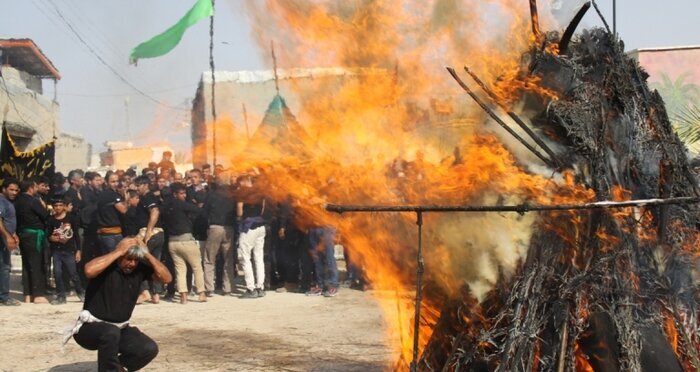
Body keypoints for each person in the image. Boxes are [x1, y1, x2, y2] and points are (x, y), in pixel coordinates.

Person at [71, 237, 172, 372]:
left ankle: (118, 367)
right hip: (89, 328)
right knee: (110, 332)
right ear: (120, 257)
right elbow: (89, 270)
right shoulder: (106, 266)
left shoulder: (139, 269)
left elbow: (167, 278)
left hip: (120, 329)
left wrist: (146, 254)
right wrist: (118, 251)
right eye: (128, 259)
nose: (132, 263)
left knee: (148, 348)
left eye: (135, 260)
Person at [161, 182, 207, 304]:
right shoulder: (182, 205)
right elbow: (198, 210)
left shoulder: (165, 206)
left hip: (172, 241)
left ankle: (183, 297)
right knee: (197, 267)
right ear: (175, 194)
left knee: (180, 270)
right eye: (181, 193)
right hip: (186, 240)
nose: (184, 195)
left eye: (184, 193)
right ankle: (201, 293)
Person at [15, 179, 50, 303]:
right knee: (36, 263)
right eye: (35, 187)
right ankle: (38, 294)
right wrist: (43, 206)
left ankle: (28, 294)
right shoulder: (33, 201)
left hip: (23, 234)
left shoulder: (17, 201)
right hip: (34, 234)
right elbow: (45, 215)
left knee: (26, 263)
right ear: (31, 188)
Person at [133, 175, 165, 304]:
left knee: (138, 261)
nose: (137, 188)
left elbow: (155, 212)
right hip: (157, 234)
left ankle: (145, 292)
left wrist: (148, 232)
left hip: (151, 233)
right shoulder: (147, 198)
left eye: (139, 185)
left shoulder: (148, 197)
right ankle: (156, 294)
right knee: (154, 263)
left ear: (145, 185)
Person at [47, 196, 84, 305]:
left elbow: (76, 235)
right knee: (57, 273)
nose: (58, 208)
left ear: (64, 206)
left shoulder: (71, 218)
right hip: (56, 251)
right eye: (56, 206)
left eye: (60, 205)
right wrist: (51, 238)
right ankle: (61, 296)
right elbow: (48, 234)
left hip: (69, 251)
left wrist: (78, 251)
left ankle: (80, 292)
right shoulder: (51, 220)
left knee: (73, 273)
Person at [202, 182, 236, 296]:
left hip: (215, 227)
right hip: (229, 228)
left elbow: (204, 213)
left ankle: (209, 288)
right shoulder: (232, 196)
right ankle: (228, 288)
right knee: (228, 259)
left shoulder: (211, 196)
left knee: (209, 258)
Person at [236, 175, 267, 299]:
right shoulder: (260, 192)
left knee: (245, 257)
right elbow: (263, 209)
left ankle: (250, 288)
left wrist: (240, 219)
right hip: (260, 225)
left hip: (248, 227)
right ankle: (260, 287)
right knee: (259, 257)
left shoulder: (242, 193)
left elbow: (239, 211)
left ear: (243, 182)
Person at [96, 173, 127, 255]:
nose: (116, 184)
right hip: (112, 234)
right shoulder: (112, 195)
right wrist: (127, 199)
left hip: (103, 233)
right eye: (113, 182)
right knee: (116, 258)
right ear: (106, 182)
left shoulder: (101, 194)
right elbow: (123, 210)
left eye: (117, 181)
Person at [0, 179, 20, 306]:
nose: (14, 192)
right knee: (4, 267)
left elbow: (7, 221)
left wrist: (13, 234)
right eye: (11, 189)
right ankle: (4, 297)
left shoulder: (7, 202)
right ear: (4, 189)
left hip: (5, 237)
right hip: (1, 240)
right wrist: (7, 236)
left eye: (16, 190)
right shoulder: (1, 201)